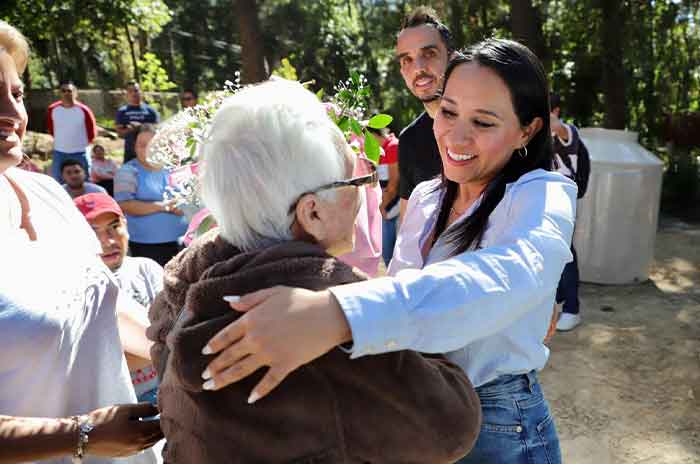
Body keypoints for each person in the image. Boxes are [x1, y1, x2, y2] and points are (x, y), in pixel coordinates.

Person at [199, 40, 578, 464]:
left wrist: (339, 313)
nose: (456, 135)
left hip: (499, 424)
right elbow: (404, 293)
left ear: (527, 130)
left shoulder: (544, 195)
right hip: (421, 405)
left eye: (484, 122)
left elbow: (512, 273)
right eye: (448, 112)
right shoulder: (427, 198)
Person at [147, 79, 481, 463]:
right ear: (312, 212)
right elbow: (451, 424)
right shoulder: (316, 309)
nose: (364, 194)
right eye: (356, 180)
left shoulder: (188, 286)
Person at [0, 19, 160, 463]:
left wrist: (189, 348)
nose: (11, 114)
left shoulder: (47, 193)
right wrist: (80, 435)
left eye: (15, 94)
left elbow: (103, 308)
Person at [75, 192, 163, 405]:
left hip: (165, 389)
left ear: (126, 226)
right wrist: (161, 347)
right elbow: (89, 363)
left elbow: (174, 332)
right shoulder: (73, 287)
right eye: (93, 233)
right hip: (116, 407)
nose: (108, 241)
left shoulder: (146, 269)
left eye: (114, 226)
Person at [396, 6, 454, 221]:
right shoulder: (409, 141)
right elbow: (407, 222)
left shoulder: (488, 121)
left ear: (452, 57)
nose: (418, 68)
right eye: (406, 60)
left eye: (429, 54)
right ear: (402, 72)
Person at [114, 124, 188, 267]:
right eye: (142, 145)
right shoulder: (128, 171)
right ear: (134, 148)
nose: (148, 149)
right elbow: (124, 204)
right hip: (148, 245)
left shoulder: (174, 167)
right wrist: (163, 206)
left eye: (154, 144)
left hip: (183, 240)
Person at [550, 93, 590, 331]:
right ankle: (562, 300)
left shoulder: (568, 134)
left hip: (562, 203)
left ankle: (572, 309)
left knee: (565, 255)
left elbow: (562, 129)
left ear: (555, 111)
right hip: (547, 203)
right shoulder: (543, 142)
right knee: (555, 254)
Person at [46, 81, 97, 182]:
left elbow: (91, 132)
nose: (66, 93)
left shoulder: (84, 110)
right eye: (63, 91)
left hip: (80, 152)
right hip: (59, 152)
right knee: (58, 181)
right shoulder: (52, 109)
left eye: (69, 91)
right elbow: (51, 129)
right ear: (59, 93)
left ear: (75, 93)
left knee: (84, 181)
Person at [367, 125, 400, 265]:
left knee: (388, 252)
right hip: (386, 205)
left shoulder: (392, 147)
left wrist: (381, 207)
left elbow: (394, 184)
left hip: (391, 205)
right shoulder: (380, 149)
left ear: (375, 134)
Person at [115, 81, 159, 164]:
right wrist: (130, 129)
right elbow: (119, 133)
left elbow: (157, 130)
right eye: (130, 91)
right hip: (130, 152)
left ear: (140, 92)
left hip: (148, 151)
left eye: (136, 90)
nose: (134, 93)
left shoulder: (150, 111)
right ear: (126, 94)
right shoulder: (122, 112)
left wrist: (141, 127)